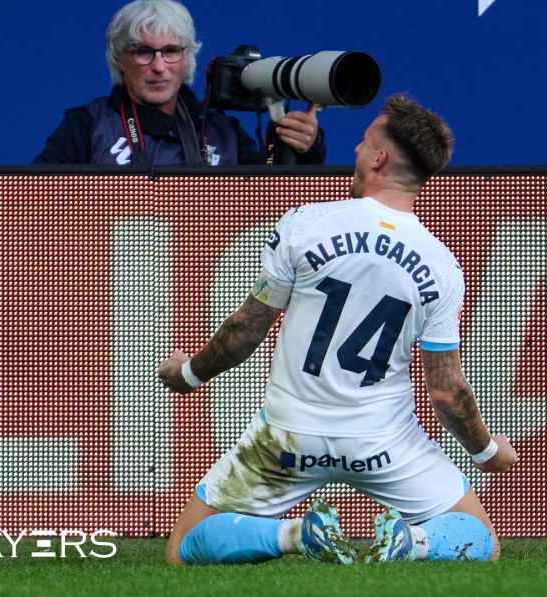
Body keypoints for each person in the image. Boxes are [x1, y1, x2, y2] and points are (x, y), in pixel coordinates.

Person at [158, 94, 518, 566]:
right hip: (383, 443)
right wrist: (486, 450)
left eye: (364, 142)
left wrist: (188, 375)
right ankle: (412, 544)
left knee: (183, 549)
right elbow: (446, 390)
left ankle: (295, 535)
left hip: (290, 436)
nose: (354, 151)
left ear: (379, 158)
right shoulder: (441, 265)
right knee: (483, 541)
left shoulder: (306, 224)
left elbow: (246, 331)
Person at [34, 0, 324, 166]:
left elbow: (274, 216)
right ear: (119, 60)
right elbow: (31, 204)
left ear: (187, 58)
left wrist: (305, 148)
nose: (159, 67)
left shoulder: (225, 133)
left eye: (171, 51)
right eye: (143, 52)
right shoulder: (86, 125)